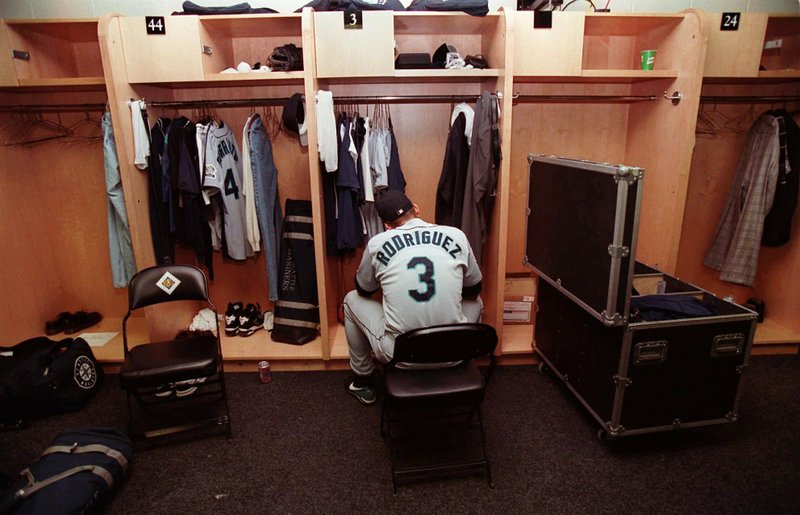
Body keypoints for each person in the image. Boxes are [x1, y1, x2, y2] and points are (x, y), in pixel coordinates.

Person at [343, 190, 483, 405]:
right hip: (454, 350)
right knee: (477, 301)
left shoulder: (378, 242)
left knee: (351, 300)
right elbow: (474, 289)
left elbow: (364, 290)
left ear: (387, 225)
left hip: (401, 355)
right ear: (416, 209)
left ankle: (363, 381)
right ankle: (465, 365)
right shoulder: (456, 235)